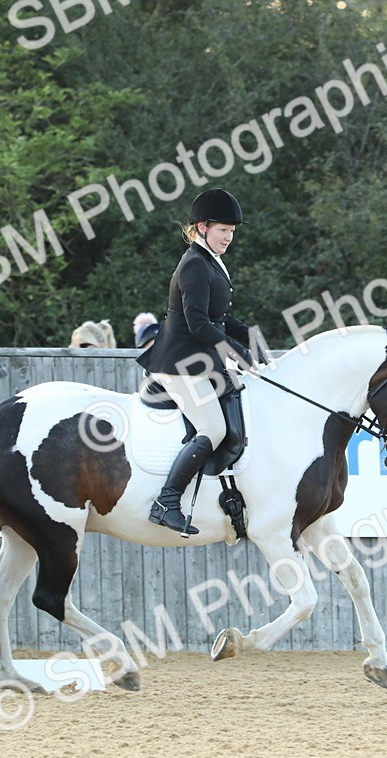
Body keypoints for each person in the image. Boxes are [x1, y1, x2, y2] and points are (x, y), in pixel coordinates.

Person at [135, 188, 262, 535]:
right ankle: (167, 502)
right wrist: (238, 354)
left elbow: (221, 317)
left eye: (233, 232)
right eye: (224, 230)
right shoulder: (193, 264)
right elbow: (198, 323)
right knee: (213, 428)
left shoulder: (211, 261)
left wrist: (251, 338)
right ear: (203, 227)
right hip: (178, 361)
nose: (229, 237)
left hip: (199, 359)